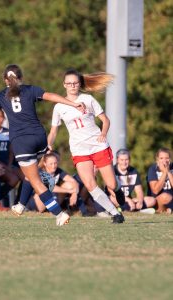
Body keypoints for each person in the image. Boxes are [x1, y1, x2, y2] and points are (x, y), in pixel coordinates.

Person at [0, 64, 85, 226]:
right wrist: (73, 104)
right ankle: (21, 205)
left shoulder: (1, 95)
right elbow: (50, 95)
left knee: (35, 181)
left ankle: (59, 214)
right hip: (40, 138)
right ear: (21, 78)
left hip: (22, 142)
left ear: (4, 80)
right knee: (30, 175)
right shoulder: (30, 89)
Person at [47, 68, 125, 223]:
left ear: (79, 83)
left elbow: (105, 120)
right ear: (64, 85)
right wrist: (49, 144)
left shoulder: (88, 99)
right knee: (90, 184)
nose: (72, 86)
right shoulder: (59, 106)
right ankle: (115, 213)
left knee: (110, 184)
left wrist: (103, 134)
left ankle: (117, 189)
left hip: (98, 146)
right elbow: (54, 130)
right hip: (79, 149)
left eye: (75, 83)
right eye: (69, 83)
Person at [0, 108, 24, 208]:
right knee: (13, 180)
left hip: (8, 164)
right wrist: (4, 165)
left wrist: (9, 164)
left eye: (1, 117)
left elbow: (11, 150)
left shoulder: (8, 132)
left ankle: (19, 204)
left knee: (27, 179)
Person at [147, 148, 173, 213]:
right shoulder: (153, 169)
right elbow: (155, 190)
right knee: (165, 196)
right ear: (157, 159)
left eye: (167, 158)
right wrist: (164, 173)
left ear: (170, 159)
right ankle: (163, 210)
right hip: (158, 201)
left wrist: (168, 172)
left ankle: (169, 209)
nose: (164, 160)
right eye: (161, 158)